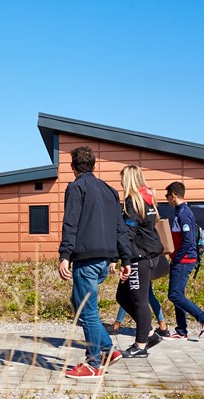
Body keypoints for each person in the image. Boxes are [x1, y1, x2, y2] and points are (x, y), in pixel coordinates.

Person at [58, 146, 132, 379]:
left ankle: (92, 364)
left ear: (73, 167)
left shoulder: (76, 187)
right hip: (104, 260)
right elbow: (120, 228)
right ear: (94, 165)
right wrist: (124, 258)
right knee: (78, 302)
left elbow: (71, 223)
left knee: (87, 311)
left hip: (87, 259)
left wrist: (65, 255)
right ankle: (109, 350)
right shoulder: (109, 190)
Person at [114, 165, 165, 358]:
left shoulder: (133, 201)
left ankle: (140, 345)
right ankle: (149, 334)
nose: (120, 182)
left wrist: (124, 260)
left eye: (122, 179)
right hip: (148, 255)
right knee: (122, 296)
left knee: (139, 300)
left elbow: (128, 233)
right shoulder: (148, 199)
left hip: (139, 257)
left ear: (128, 180)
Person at [164, 181, 204, 340]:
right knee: (178, 293)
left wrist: (177, 259)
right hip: (180, 259)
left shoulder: (184, 214)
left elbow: (188, 241)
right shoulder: (180, 212)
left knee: (174, 294)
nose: (166, 199)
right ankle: (181, 331)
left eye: (167, 196)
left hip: (184, 261)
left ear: (174, 195)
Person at [106, 284, 170, 337]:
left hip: (137, 269)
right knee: (149, 293)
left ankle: (116, 326)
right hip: (148, 269)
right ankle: (163, 327)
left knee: (128, 293)